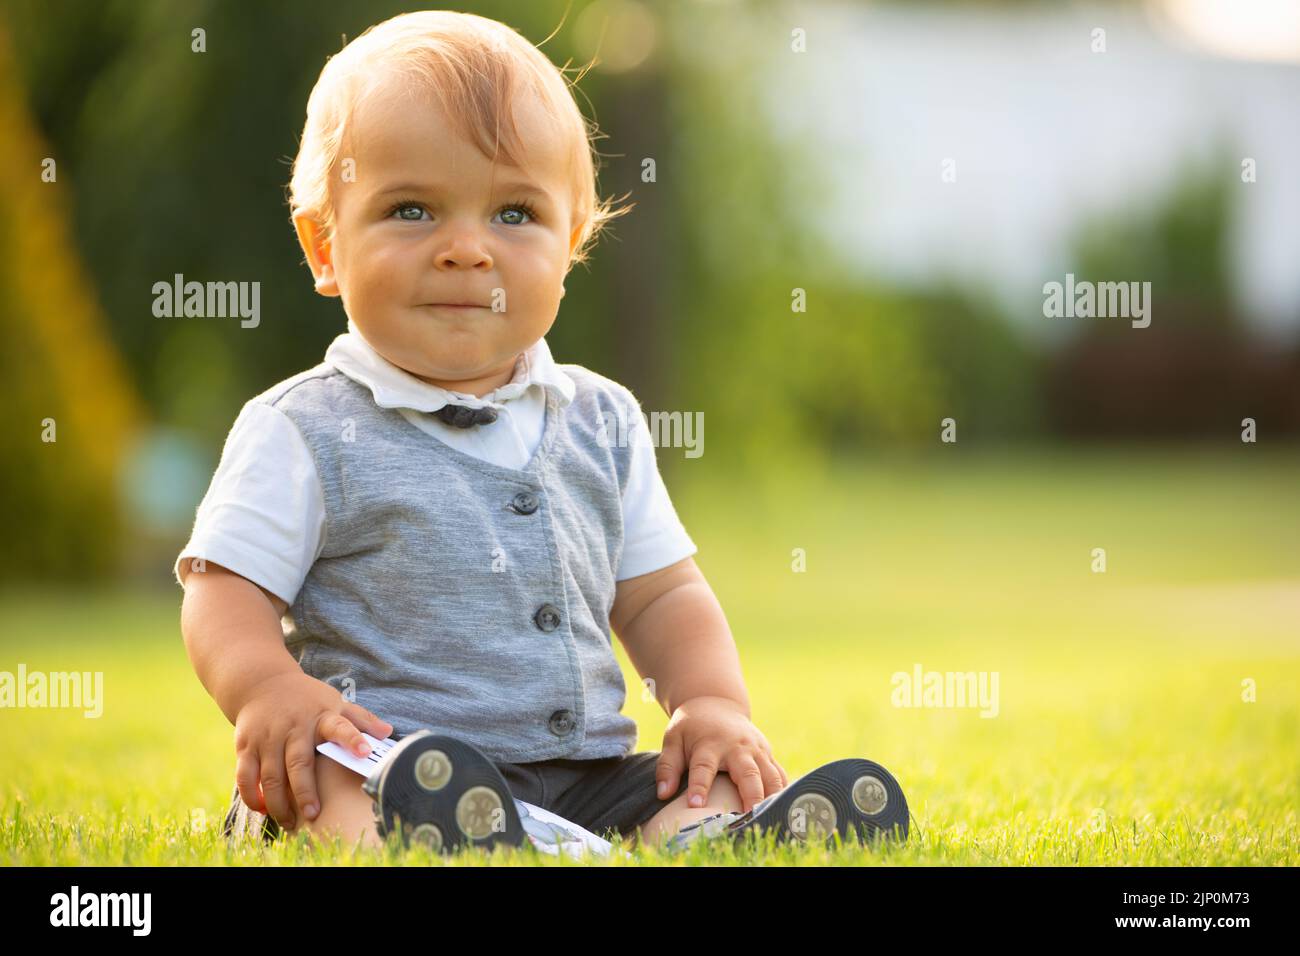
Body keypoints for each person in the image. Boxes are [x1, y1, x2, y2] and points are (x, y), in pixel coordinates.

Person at [178, 10, 904, 855]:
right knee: (338, 778)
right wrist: (267, 688)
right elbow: (223, 589)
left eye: (514, 214)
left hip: (586, 773)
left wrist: (710, 703)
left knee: (684, 784)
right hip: (388, 754)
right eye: (410, 209)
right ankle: (428, 834)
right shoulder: (303, 429)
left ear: (571, 244)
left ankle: (719, 833)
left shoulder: (602, 420)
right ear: (324, 245)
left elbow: (662, 595)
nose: (466, 249)